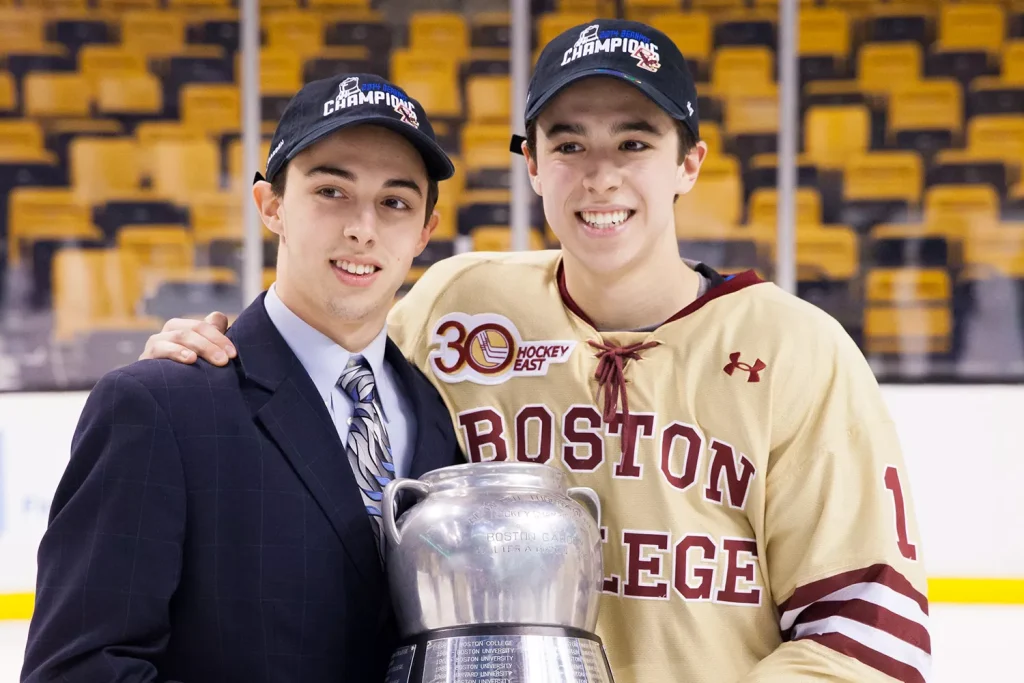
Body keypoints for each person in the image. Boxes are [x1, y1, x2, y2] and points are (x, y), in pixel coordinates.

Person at [138, 20, 932, 683]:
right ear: (532, 165)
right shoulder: (461, 305)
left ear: (688, 163)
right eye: (569, 145)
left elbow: (871, 633)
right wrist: (213, 353)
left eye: (633, 142)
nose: (600, 176)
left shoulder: (796, 349)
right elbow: (325, 367)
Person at [21, 73, 464, 683]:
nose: (363, 227)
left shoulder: (441, 416)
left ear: (424, 231)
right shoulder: (159, 405)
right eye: (332, 190)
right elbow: (77, 670)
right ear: (271, 206)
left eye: (394, 202)